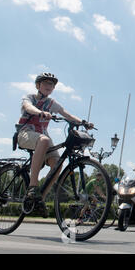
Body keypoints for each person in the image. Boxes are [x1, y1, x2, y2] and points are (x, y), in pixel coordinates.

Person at [17, 73, 93, 217]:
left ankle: (40, 199)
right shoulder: (30, 97)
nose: (49, 86)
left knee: (58, 163)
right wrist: (40, 112)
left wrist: (83, 122)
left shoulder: (52, 103)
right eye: (45, 83)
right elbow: (28, 107)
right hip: (25, 132)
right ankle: (33, 187)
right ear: (38, 85)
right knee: (44, 140)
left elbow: (67, 114)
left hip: (43, 135)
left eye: (51, 85)